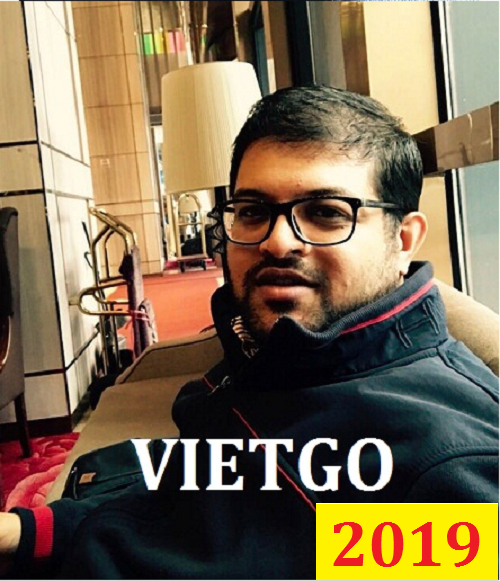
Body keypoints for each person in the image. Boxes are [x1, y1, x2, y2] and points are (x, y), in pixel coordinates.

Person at [1, 86, 498, 579]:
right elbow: (199, 518)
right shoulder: (281, 360)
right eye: (254, 211)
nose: (277, 242)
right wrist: (31, 533)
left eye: (326, 213)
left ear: (403, 240)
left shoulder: (440, 468)